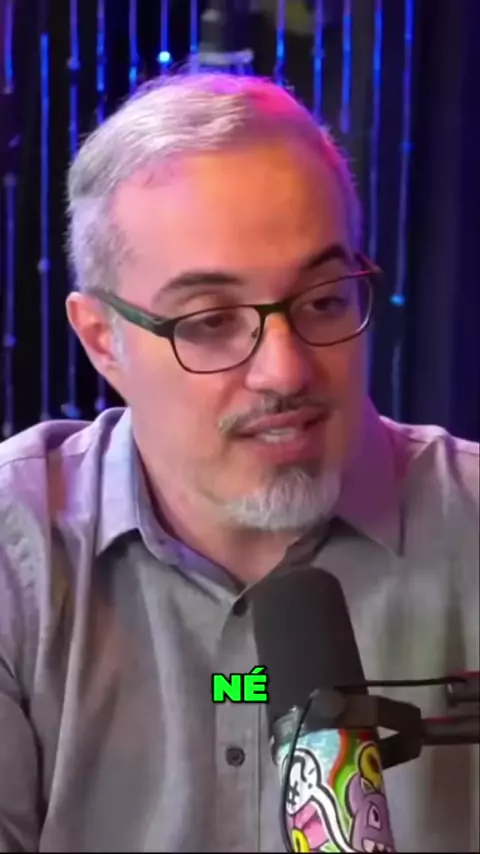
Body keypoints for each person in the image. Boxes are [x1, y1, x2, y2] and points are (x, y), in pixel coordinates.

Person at [0, 72, 478, 853]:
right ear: (102, 341)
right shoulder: (15, 553)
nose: (284, 371)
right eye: (212, 321)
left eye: (323, 299)